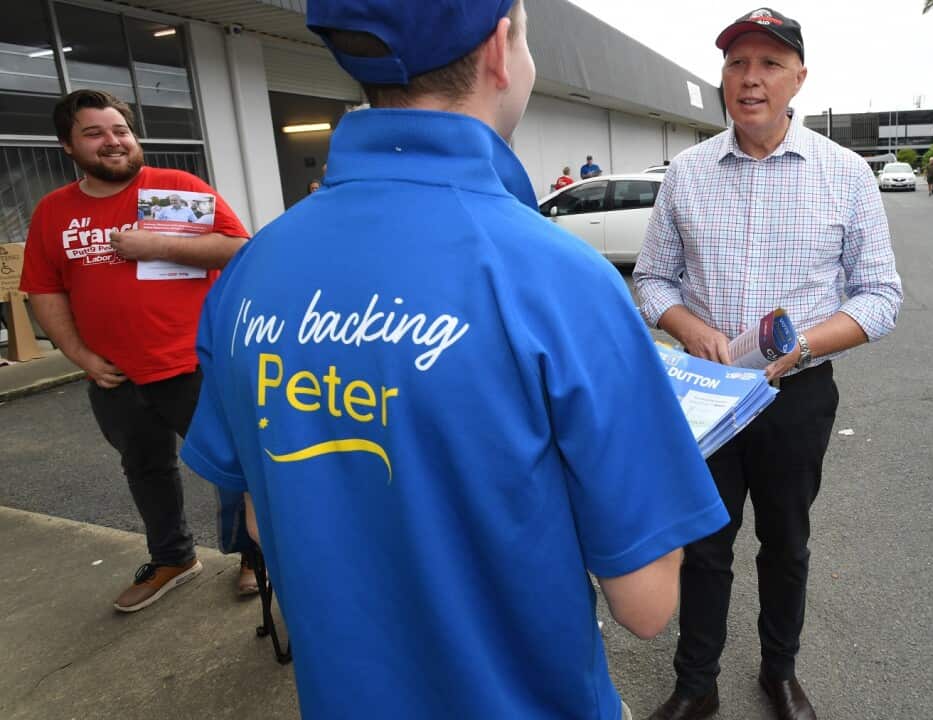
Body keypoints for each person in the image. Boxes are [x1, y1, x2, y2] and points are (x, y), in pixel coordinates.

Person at [179, 2, 728, 718]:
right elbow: (647, 604)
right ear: (502, 49)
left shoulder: (255, 267)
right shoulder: (561, 279)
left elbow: (256, 520)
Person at [634, 8, 902, 720]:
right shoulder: (686, 174)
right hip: (707, 394)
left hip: (798, 395)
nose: (750, 79)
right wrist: (688, 325)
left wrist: (804, 346)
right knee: (702, 544)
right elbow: (652, 280)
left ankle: (779, 673)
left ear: (798, 79)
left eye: (769, 64)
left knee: (786, 542)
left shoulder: (845, 175)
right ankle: (697, 684)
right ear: (722, 77)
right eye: (736, 64)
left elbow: (880, 297)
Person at [20, 89, 251, 612]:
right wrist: (79, 355)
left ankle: (252, 557)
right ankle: (173, 558)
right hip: (114, 375)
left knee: (232, 465)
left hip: (194, 363)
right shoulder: (54, 211)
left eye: (120, 130)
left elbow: (239, 249)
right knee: (146, 469)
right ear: (67, 146)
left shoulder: (175, 188)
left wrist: (159, 244)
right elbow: (45, 289)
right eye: (95, 133)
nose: (113, 141)